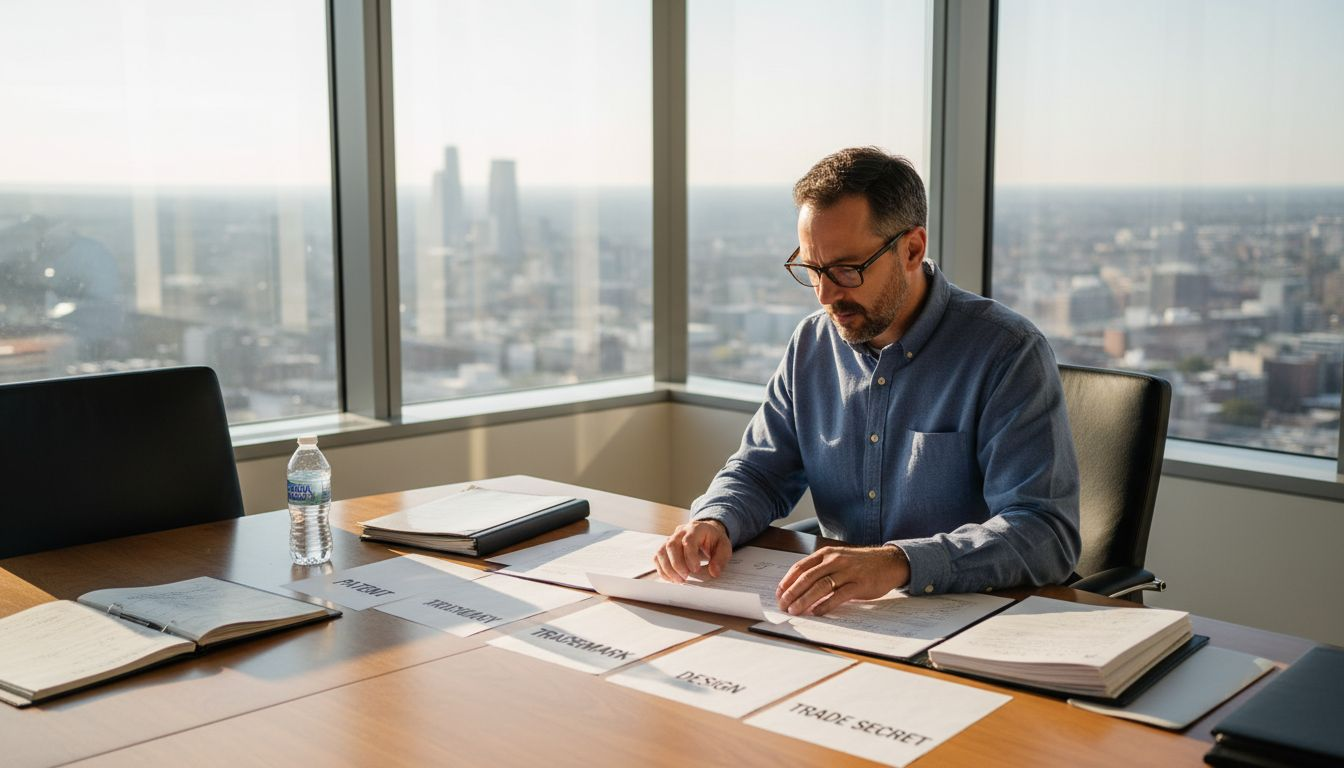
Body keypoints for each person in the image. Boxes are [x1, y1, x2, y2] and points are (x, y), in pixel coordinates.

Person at [653, 147, 1080, 616]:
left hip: (965, 619)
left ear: (912, 249)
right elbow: (759, 471)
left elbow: (1045, 533)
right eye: (812, 269)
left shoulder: (1006, 352)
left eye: (846, 269)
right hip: (840, 615)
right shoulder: (812, 345)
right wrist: (715, 518)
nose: (825, 294)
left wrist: (899, 563)